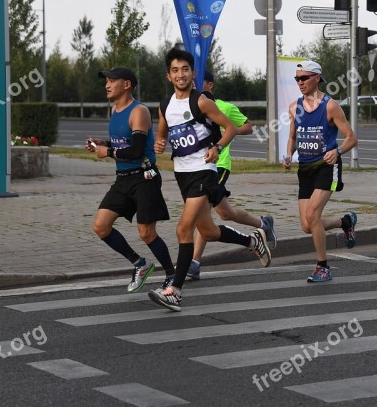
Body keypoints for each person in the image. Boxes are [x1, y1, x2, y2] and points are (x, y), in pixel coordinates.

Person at [148, 48, 274, 311]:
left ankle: (175, 290)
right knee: (209, 231)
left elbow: (230, 127)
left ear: (193, 73)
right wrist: (159, 143)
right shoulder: (165, 106)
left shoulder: (202, 102)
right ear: (168, 76)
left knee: (183, 229)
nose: (180, 74)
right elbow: (161, 132)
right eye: (175, 70)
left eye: (185, 69)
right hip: (182, 174)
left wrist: (216, 147)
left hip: (204, 172)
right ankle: (253, 241)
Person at [86, 66, 176, 294]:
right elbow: (122, 142)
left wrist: (107, 152)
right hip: (123, 180)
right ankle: (140, 264)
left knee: (146, 233)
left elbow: (136, 150)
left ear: (126, 84)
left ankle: (172, 275)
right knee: (101, 226)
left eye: (112, 81)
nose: (107, 85)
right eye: (105, 81)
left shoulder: (139, 111)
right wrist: (103, 142)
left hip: (144, 178)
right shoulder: (115, 111)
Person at [186, 71, 277, 281]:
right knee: (225, 213)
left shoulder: (223, 107)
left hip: (219, 165)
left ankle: (195, 263)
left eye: (200, 83)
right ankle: (263, 223)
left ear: (210, 85)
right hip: (198, 166)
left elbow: (247, 126)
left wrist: (227, 130)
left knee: (203, 211)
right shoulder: (190, 108)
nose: (196, 86)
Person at [284, 60, 358, 283]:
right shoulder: (293, 107)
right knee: (307, 225)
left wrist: (338, 151)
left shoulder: (330, 106)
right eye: (297, 79)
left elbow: (352, 138)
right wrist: (288, 154)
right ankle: (345, 222)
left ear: (317, 78)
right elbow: (293, 136)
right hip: (305, 168)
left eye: (304, 78)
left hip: (327, 166)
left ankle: (323, 267)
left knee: (312, 215)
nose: (300, 82)